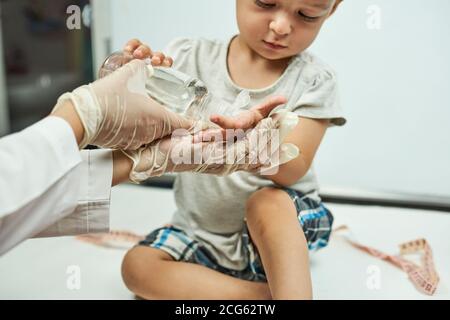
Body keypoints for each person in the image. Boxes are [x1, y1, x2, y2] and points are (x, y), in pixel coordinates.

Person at [121, 0, 347, 300]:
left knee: (266, 202)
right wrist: (135, 83)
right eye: (266, 3)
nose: (280, 26)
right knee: (137, 267)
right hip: (200, 233)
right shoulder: (189, 56)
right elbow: (141, 129)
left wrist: (255, 145)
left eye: (306, 15)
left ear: (331, 9)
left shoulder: (314, 80)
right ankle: (264, 296)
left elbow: (295, 169)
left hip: (279, 231)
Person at [0, 59, 289, 256]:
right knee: (137, 266)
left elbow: (14, 191)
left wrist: (144, 159)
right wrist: (83, 115)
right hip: (197, 233)